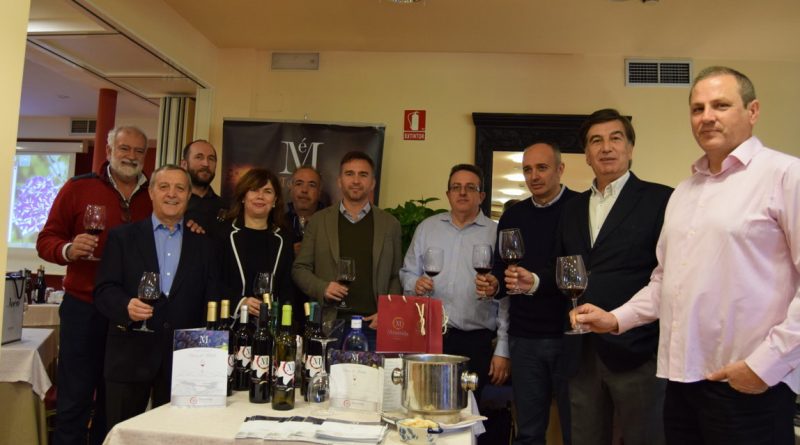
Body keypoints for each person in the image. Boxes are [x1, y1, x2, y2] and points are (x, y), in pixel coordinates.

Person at [573, 67, 800, 445]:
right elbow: (666, 280)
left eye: (721, 105)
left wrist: (765, 366)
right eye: (698, 109)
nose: (707, 116)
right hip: (680, 382)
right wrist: (615, 319)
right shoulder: (684, 192)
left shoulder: (786, 175)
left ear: (753, 111)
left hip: (749, 383)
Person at [559, 109, 672, 445]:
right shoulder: (571, 209)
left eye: (615, 138)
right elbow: (564, 270)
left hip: (638, 350)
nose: (606, 147)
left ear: (630, 148)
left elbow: (668, 276)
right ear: (587, 154)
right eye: (596, 141)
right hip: (581, 352)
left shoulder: (661, 200)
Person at [36, 125, 152, 445]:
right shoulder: (78, 188)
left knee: (115, 404)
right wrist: (68, 249)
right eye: (124, 148)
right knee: (74, 399)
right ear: (109, 150)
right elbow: (46, 240)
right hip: (83, 308)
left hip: (127, 312)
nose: (131, 156)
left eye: (138, 151)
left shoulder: (154, 193)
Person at [94, 164, 217, 431]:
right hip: (129, 356)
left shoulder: (205, 245)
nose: (172, 194)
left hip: (184, 363)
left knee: (178, 437)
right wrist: (125, 305)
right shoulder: (122, 238)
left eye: (180, 188)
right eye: (164, 187)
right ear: (151, 192)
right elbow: (104, 290)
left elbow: (211, 300)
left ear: (189, 196)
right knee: (122, 435)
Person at [480, 143, 577, 445]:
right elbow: (502, 267)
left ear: (560, 169)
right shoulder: (513, 216)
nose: (534, 176)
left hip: (569, 336)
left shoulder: (579, 208)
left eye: (542, 168)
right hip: (524, 339)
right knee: (529, 432)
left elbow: (579, 267)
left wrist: (535, 281)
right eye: (527, 169)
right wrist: (495, 284)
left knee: (578, 430)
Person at [400, 164, 511, 403]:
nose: (462, 192)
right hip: (428, 338)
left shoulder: (496, 234)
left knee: (468, 412)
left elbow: (505, 298)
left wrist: (503, 349)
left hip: (476, 342)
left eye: (470, 188)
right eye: (456, 187)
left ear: (481, 196)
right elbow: (407, 273)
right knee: (424, 408)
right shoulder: (427, 228)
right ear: (448, 194)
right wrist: (414, 283)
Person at [292, 151, 402, 349]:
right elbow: (300, 269)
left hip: (374, 325)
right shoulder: (318, 221)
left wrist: (388, 311)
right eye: (349, 174)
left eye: (363, 175)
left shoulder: (390, 224)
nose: (356, 181)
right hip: (330, 324)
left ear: (372, 183)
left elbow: (396, 275)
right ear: (339, 181)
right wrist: (323, 288)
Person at [217, 168, 297, 320]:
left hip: (270, 324)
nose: (260, 196)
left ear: (275, 200)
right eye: (254, 190)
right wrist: (240, 303)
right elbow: (212, 281)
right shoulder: (222, 234)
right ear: (243, 196)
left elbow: (287, 289)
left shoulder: (284, 239)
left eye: (267, 191)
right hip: (230, 323)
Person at [181, 139, 226, 233]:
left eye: (211, 159)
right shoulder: (173, 204)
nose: (206, 164)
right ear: (184, 164)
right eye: (199, 157)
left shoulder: (226, 208)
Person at [286, 166, 325, 255]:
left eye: (312, 185)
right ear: (291, 189)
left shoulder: (331, 223)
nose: (304, 190)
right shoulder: (279, 224)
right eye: (299, 184)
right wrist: (288, 253)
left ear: (319, 192)